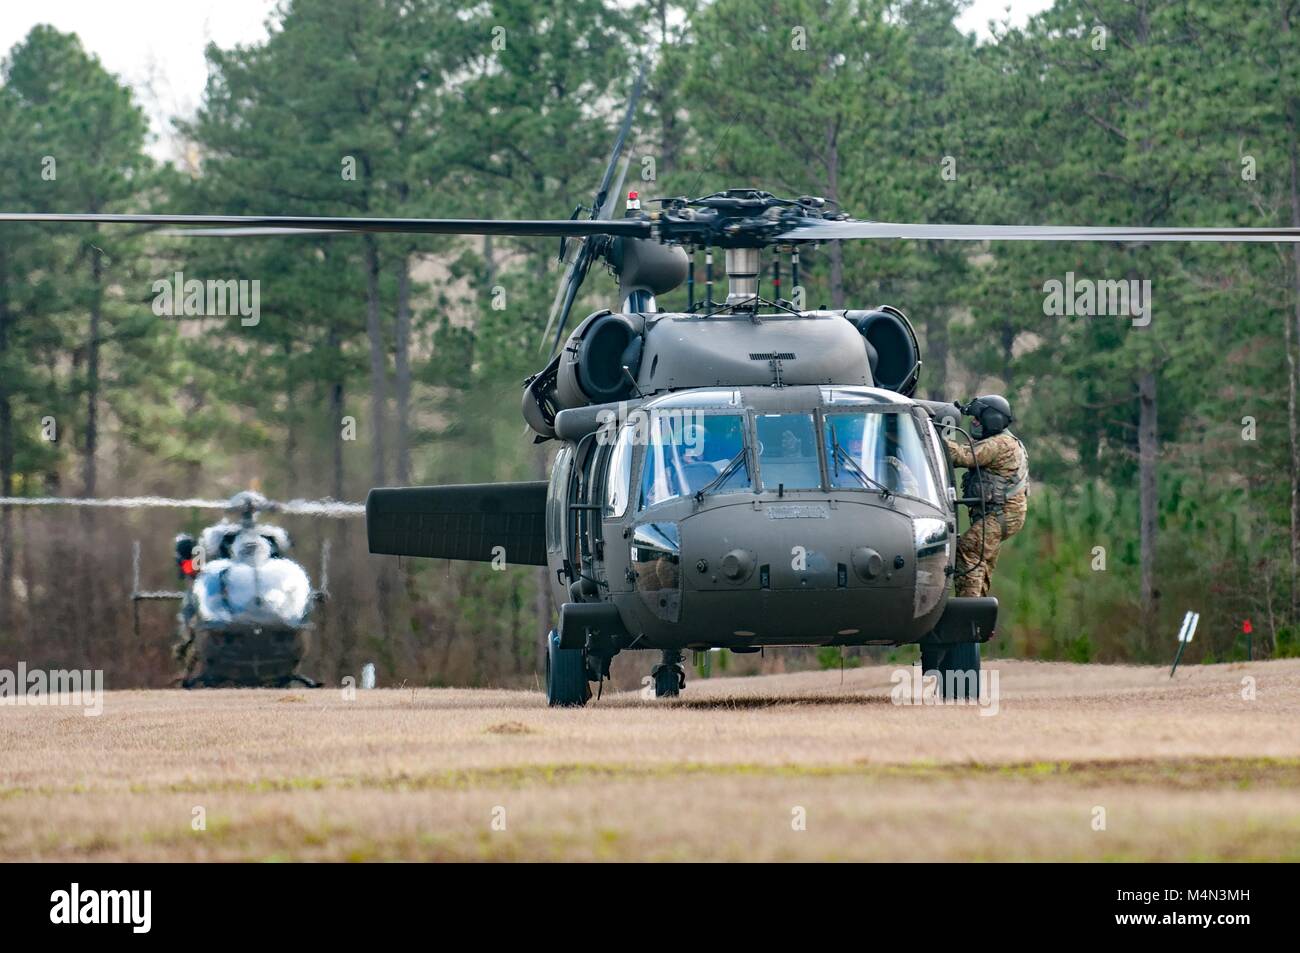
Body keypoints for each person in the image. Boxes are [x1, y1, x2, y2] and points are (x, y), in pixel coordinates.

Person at [943, 395, 1029, 597]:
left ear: (992, 420)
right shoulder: (1006, 442)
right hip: (1003, 515)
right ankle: (979, 610)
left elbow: (963, 456)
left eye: (978, 418)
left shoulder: (1000, 444)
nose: (973, 423)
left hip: (1000, 515)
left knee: (967, 552)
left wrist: (933, 436)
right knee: (982, 560)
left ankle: (969, 608)